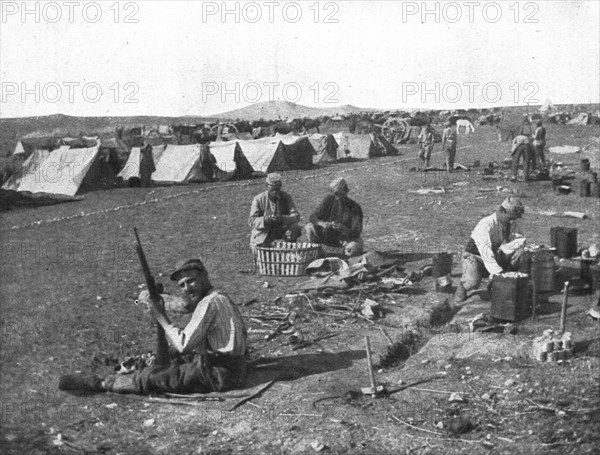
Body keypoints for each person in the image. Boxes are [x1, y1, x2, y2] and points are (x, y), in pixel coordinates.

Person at [59, 259, 248, 394]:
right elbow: (188, 311)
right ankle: (125, 367)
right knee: (169, 357)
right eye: (182, 285)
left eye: (191, 281)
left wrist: (161, 317)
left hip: (221, 374)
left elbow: (183, 343)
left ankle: (101, 384)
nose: (187, 288)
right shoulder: (218, 297)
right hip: (230, 364)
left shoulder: (209, 303)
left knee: (155, 376)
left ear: (205, 276)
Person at [455, 197, 529, 303]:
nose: (512, 221)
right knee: (472, 282)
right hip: (474, 257)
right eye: (510, 218)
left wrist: (506, 249)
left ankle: (501, 284)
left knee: (521, 253)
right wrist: (499, 274)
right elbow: (486, 253)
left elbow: (521, 239)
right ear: (501, 211)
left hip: (493, 255)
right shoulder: (486, 224)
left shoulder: (509, 223)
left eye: (514, 219)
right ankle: (462, 287)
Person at [305, 177, 364, 257]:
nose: (338, 197)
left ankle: (347, 258)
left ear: (346, 191)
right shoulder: (328, 200)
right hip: (327, 235)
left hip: (344, 239)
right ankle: (316, 253)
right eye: (336, 194)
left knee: (354, 247)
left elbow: (357, 231)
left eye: (341, 194)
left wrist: (344, 229)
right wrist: (322, 223)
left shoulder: (355, 207)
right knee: (309, 227)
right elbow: (313, 217)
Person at [248, 173, 301, 251]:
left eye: (278, 189)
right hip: (264, 231)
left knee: (295, 228)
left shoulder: (286, 197)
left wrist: (283, 218)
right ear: (267, 186)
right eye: (273, 190)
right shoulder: (258, 199)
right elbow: (252, 221)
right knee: (260, 251)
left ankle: (290, 251)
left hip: (281, 229)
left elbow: (296, 216)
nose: (276, 192)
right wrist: (266, 219)